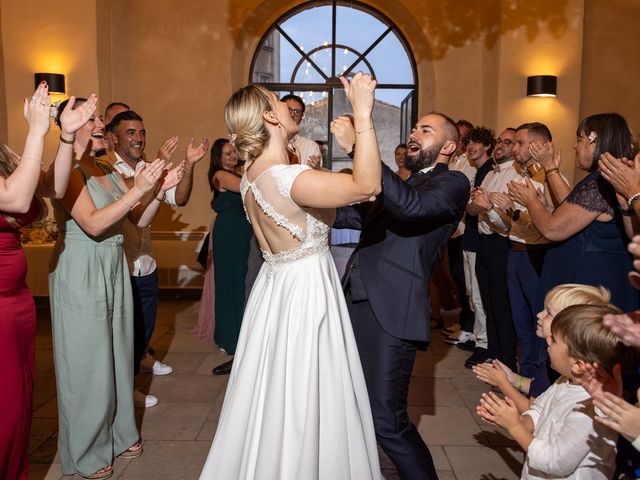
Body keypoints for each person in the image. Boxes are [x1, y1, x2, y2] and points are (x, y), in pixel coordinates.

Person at [200, 73, 382, 479]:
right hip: (305, 291)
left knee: (276, 390)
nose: (288, 105)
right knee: (308, 390)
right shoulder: (288, 179)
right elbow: (368, 185)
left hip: (275, 287)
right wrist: (364, 113)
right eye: (279, 102)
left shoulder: (253, 177)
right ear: (270, 116)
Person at [49, 97, 184, 479]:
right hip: (82, 267)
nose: (98, 124)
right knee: (88, 362)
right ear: (70, 125)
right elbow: (91, 224)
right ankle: (87, 447)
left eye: (97, 119)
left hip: (113, 263)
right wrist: (136, 189)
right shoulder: (69, 170)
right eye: (89, 118)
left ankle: (120, 431)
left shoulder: (105, 168)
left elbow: (138, 218)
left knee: (118, 354)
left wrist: (157, 190)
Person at [333, 111, 470, 478]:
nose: (414, 133)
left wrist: (359, 147)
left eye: (426, 130)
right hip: (360, 300)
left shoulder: (453, 182)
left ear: (449, 146)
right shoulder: (406, 183)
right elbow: (355, 218)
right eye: (414, 128)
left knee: (387, 422)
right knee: (358, 407)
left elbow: (412, 208)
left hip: (393, 310)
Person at [0, 83, 95, 480]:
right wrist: (37, 131)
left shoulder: (4, 156)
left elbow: (51, 188)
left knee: (18, 405)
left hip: (15, 305)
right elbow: (17, 201)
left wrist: (67, 135)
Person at [106, 110, 208, 407]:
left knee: (143, 333)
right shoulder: (107, 171)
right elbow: (135, 211)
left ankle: (129, 387)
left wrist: (188, 164)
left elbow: (181, 197)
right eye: (130, 133)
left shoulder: (150, 169)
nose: (138, 138)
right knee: (121, 337)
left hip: (145, 265)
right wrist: (155, 181)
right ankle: (123, 395)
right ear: (113, 137)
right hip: (119, 266)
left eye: (141, 132)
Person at [477, 303, 633, 480]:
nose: (548, 340)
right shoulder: (565, 381)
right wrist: (514, 418)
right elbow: (538, 411)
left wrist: (514, 427)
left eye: (555, 340)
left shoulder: (588, 412)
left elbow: (553, 463)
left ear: (578, 364)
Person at [508, 113, 640, 312]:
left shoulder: (599, 185)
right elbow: (575, 214)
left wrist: (531, 200)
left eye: (579, 140)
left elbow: (552, 229)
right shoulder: (600, 181)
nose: (575, 146)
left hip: (588, 279)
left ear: (595, 141)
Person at [473, 283, 611, 413]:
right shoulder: (552, 353)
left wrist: (502, 383)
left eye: (549, 313)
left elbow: (532, 410)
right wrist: (512, 378)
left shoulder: (560, 362)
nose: (539, 315)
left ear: (569, 325)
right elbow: (538, 388)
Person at [206, 137, 253, 376]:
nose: (233, 156)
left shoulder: (238, 171)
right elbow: (247, 186)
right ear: (218, 157)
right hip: (230, 233)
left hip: (243, 232)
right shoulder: (221, 175)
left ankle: (239, 333)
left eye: (234, 152)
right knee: (231, 284)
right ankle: (231, 337)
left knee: (241, 282)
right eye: (227, 153)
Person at [281, 93, 322, 168]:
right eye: (288, 109)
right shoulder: (264, 143)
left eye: (297, 112)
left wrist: (317, 170)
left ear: (301, 117)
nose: (292, 114)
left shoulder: (310, 147)